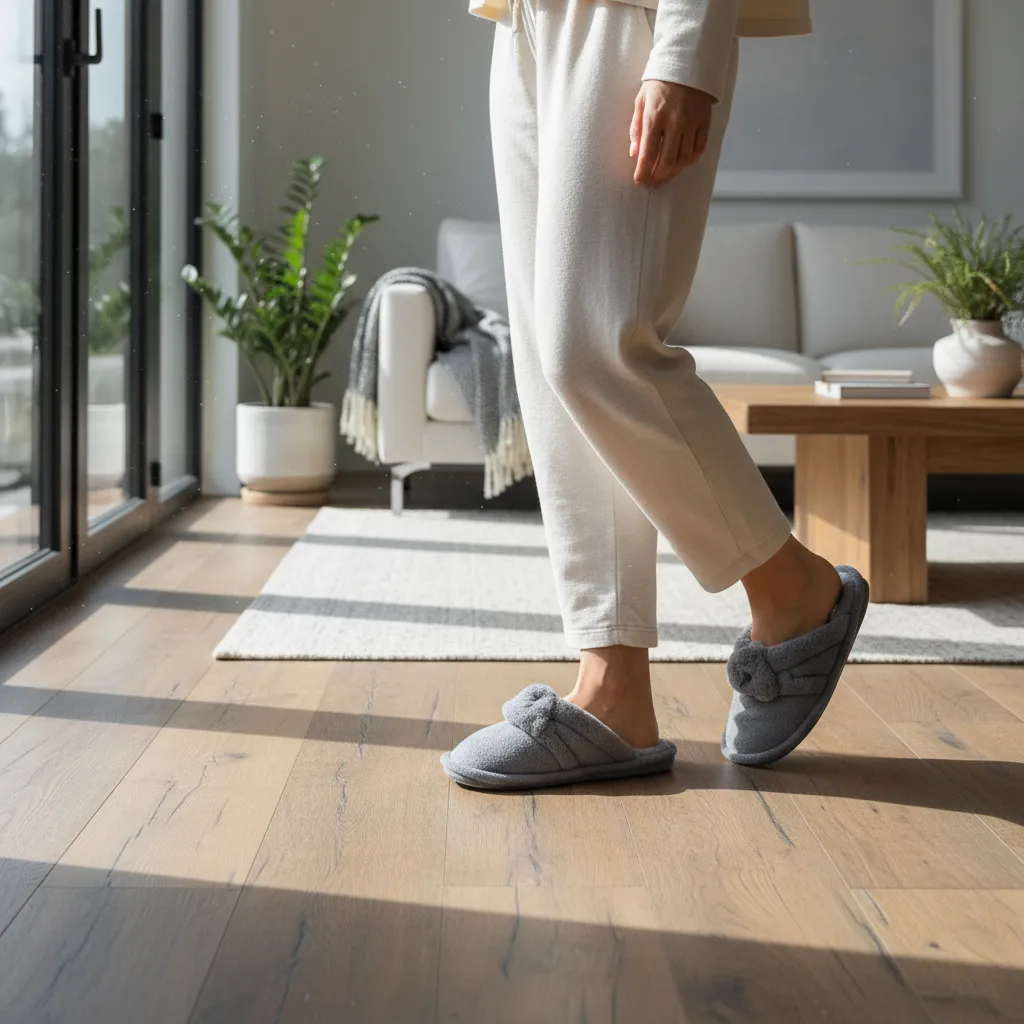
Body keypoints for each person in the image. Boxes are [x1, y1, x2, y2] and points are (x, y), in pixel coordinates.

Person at [441, 0, 869, 791]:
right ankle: (613, 692)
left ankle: (792, 589)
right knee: (548, 363)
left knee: (595, 344)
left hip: (628, 20)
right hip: (520, 19)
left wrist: (686, 50)